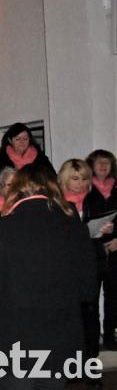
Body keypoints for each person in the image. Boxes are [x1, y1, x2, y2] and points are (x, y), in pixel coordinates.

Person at [0, 164, 97, 390]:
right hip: (59, 341)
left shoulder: (3, 228)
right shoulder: (75, 228)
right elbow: (88, 290)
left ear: (16, 190)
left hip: (16, 340)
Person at [58, 159, 111, 385]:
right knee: (69, 319)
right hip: (66, 268)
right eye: (75, 178)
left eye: (84, 179)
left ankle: (91, 365)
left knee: (90, 317)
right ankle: (70, 366)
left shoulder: (94, 201)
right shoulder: (56, 203)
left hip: (91, 264)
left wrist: (107, 231)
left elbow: (103, 231)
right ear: (64, 179)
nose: (80, 184)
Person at [86, 150, 117, 350]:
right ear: (92, 166)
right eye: (99, 163)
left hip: (114, 246)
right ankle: (92, 340)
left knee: (113, 295)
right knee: (91, 297)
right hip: (92, 248)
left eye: (107, 163)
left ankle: (110, 336)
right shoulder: (86, 188)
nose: (103, 166)